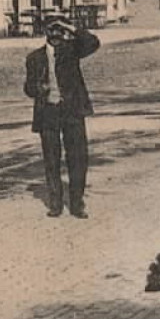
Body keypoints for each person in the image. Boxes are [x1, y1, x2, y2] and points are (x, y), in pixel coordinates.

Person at [23, 15, 101, 219]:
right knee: (51, 158)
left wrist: (71, 27)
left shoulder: (71, 51)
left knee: (77, 157)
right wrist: (38, 89)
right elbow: (28, 87)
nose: (56, 35)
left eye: (60, 30)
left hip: (72, 111)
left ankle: (76, 204)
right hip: (48, 112)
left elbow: (93, 42)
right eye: (52, 30)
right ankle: (55, 203)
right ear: (45, 33)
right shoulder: (34, 58)